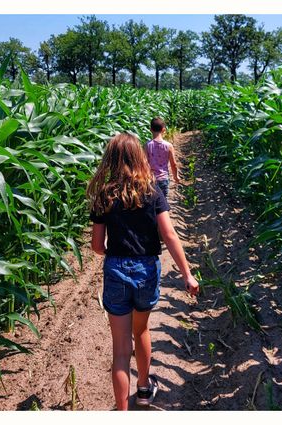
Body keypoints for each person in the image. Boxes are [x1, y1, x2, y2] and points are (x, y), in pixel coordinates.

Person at [86, 133, 199, 411]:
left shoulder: (104, 194)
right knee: (142, 330)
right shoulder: (151, 190)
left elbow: (98, 246)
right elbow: (169, 234)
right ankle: (145, 389)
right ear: (139, 156)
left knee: (121, 350)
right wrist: (187, 274)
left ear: (109, 158)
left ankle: (123, 412)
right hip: (147, 268)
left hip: (116, 269)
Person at [145, 117, 179, 199]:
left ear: (150, 130)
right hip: (163, 179)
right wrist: (176, 176)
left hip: (151, 179)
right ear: (164, 130)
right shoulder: (168, 146)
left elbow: (144, 163)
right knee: (163, 202)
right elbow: (173, 164)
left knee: (151, 201)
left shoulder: (147, 145)